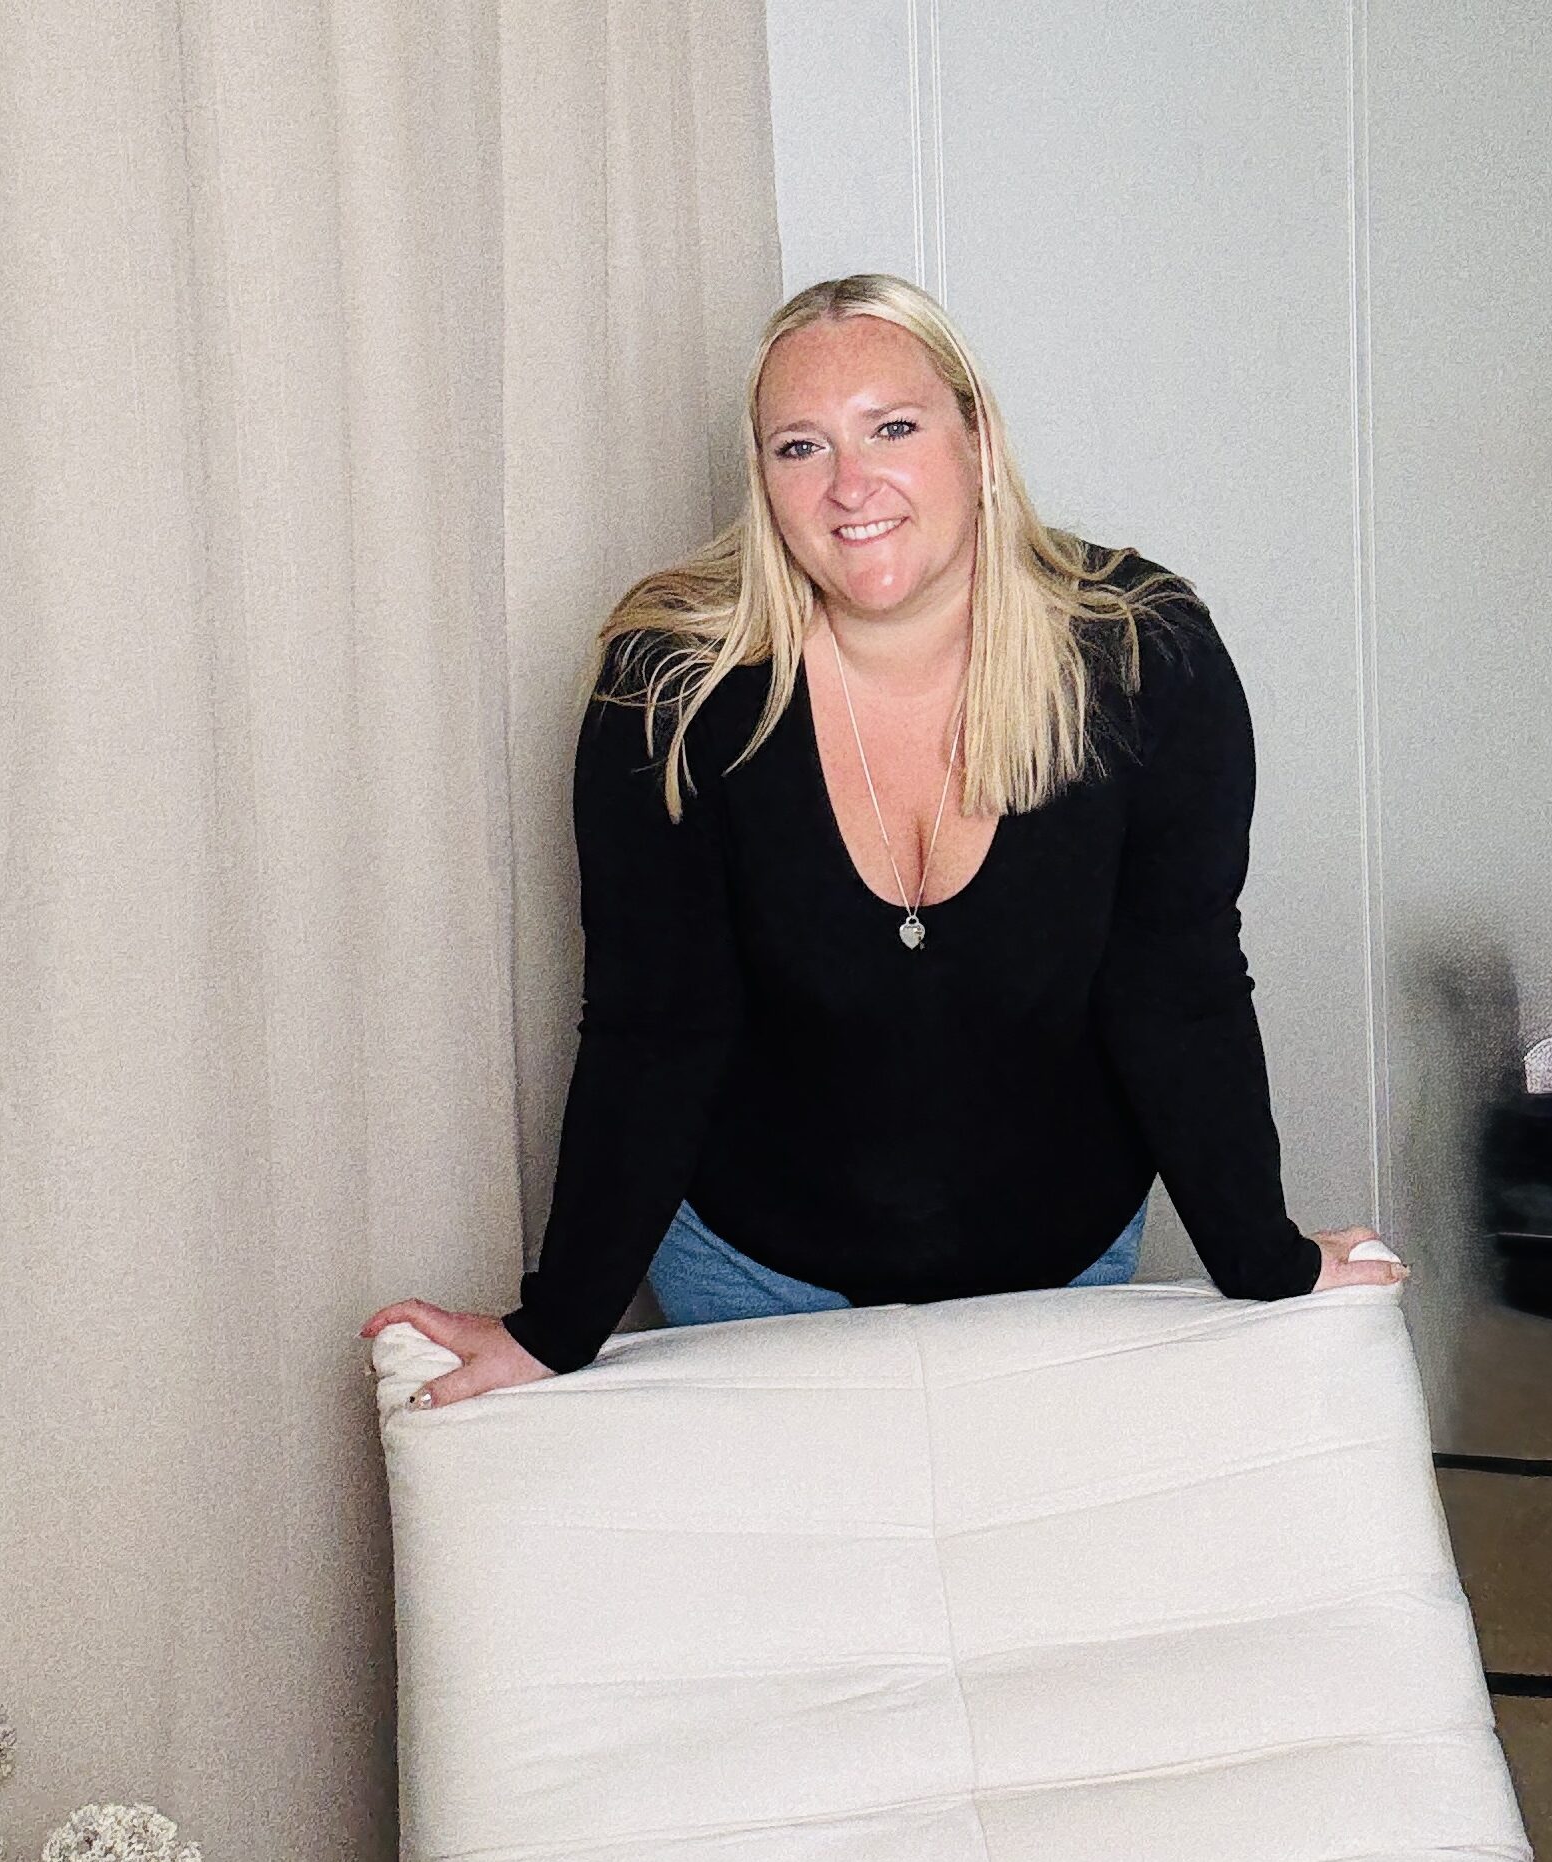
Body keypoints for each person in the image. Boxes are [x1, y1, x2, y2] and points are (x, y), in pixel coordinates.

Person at [362, 273, 1407, 1406]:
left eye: (893, 428)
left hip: (1056, 1259)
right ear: (761, 482)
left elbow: (1179, 989)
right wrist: (555, 1323)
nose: (850, 485)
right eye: (798, 447)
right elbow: (654, 1027)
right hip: (750, 1270)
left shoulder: (1144, 656)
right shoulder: (671, 687)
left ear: (977, 438)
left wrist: (1268, 1262)